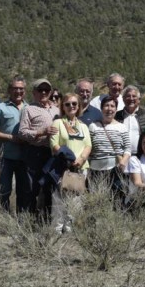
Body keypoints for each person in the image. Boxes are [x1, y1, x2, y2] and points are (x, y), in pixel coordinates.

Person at [0, 77, 30, 213]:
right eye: (15, 88)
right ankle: (3, 220)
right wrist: (11, 137)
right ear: (9, 90)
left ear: (25, 91)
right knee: (3, 191)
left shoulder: (30, 108)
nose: (18, 91)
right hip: (5, 157)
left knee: (24, 191)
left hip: (25, 158)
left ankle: (22, 222)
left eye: (21, 88)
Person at [17, 78, 59, 216]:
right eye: (40, 90)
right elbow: (22, 132)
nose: (43, 92)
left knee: (49, 187)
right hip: (34, 153)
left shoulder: (56, 109)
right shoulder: (28, 109)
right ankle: (29, 219)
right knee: (31, 188)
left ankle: (46, 219)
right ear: (34, 92)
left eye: (46, 90)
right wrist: (41, 132)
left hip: (52, 153)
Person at [49, 92, 91, 230]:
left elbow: (88, 145)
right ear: (63, 107)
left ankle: (70, 229)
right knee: (59, 199)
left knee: (76, 200)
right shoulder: (58, 123)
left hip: (80, 168)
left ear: (78, 106)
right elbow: (54, 144)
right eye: (67, 104)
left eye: (74, 104)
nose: (71, 106)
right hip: (63, 167)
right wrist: (69, 158)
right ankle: (57, 228)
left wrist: (81, 159)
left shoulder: (83, 126)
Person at [86, 96, 130, 198]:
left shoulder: (121, 127)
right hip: (95, 171)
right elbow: (88, 147)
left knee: (116, 200)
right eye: (106, 106)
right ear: (101, 108)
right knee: (97, 201)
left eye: (112, 106)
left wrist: (123, 161)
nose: (109, 109)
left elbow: (128, 148)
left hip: (115, 170)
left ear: (116, 109)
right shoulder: (93, 126)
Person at [116, 84, 145, 155]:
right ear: (123, 99)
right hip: (121, 156)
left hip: (141, 156)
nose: (131, 99)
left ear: (139, 100)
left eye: (134, 96)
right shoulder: (117, 116)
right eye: (128, 96)